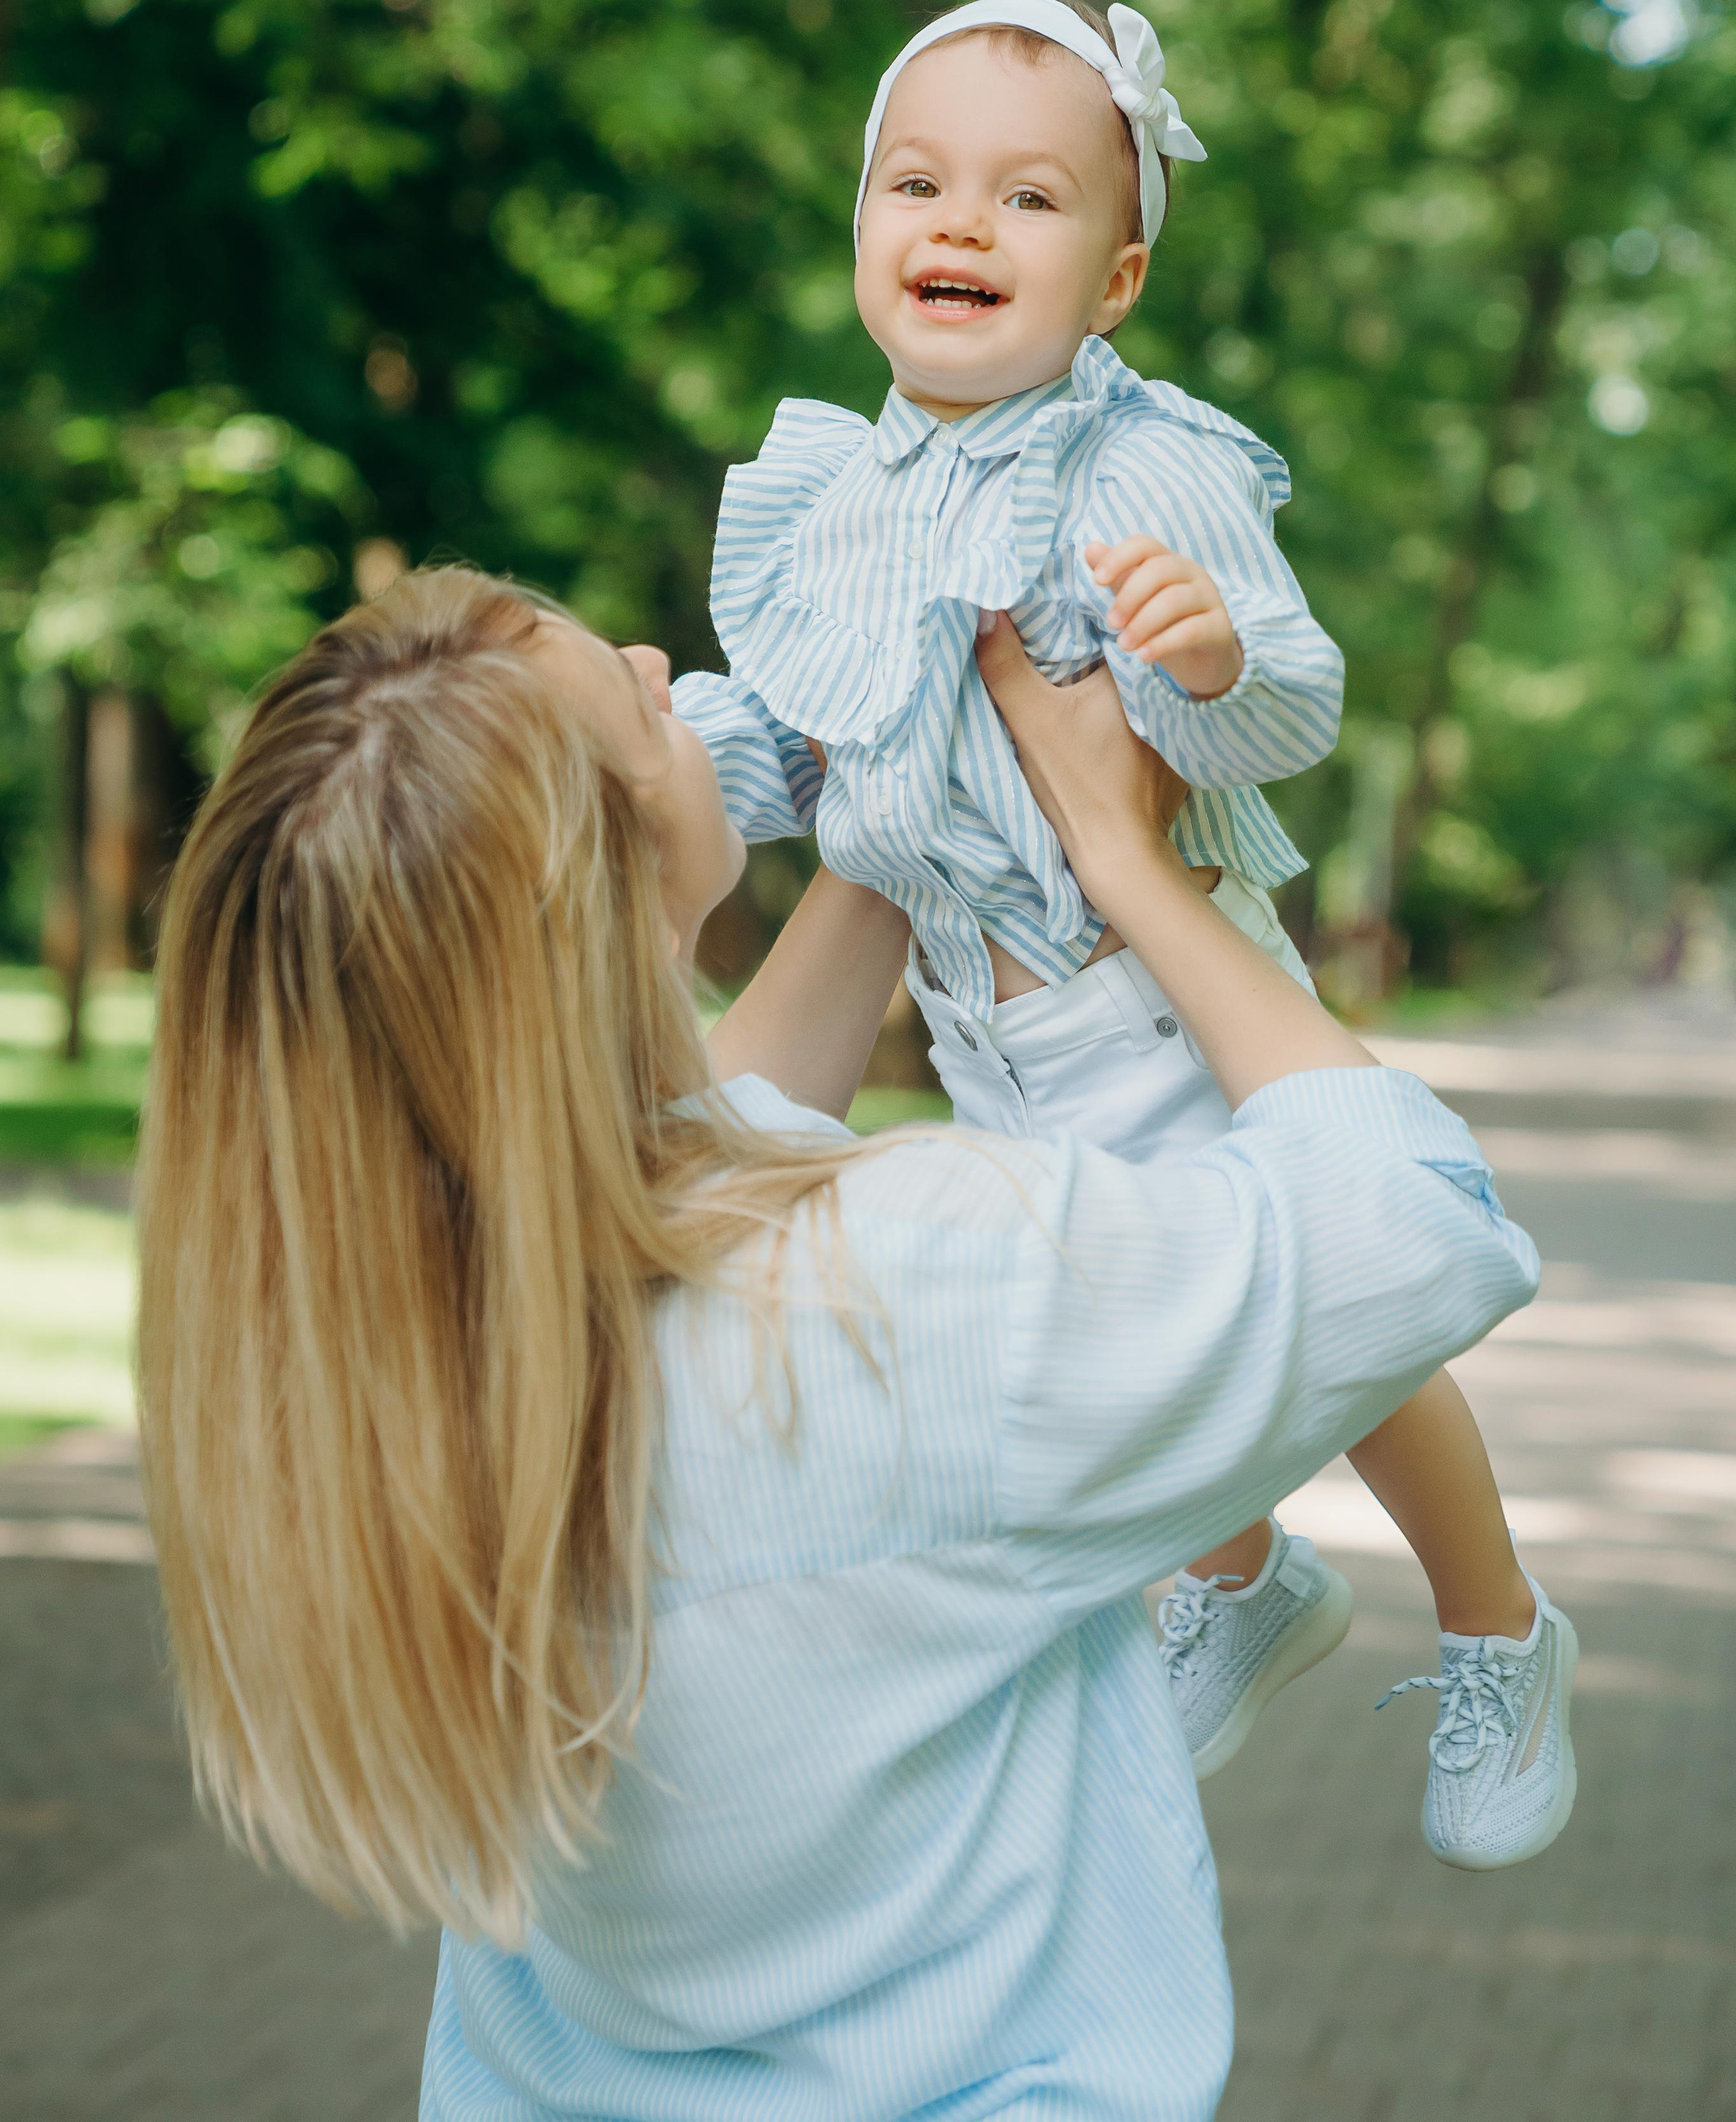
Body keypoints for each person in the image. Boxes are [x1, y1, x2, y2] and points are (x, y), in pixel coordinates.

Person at [138, 565, 1540, 2122]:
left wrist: (902, 810)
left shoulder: (355, 1359)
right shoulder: (908, 1301)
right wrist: (1125, 861)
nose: (666, 659)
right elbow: (1412, 1223)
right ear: (599, 883)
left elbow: (721, 1151)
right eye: (636, 698)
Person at [667, 0, 1576, 1868]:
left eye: (1027, 201)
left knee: (1351, 1325)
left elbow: (1292, 702)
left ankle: (1500, 1623)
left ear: (1119, 276)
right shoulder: (839, 497)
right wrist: (652, 756)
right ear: (861, 233)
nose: (961, 229)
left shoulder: (1139, 467)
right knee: (1144, 1341)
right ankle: (1240, 1584)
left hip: (1162, 1003)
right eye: (917, 185)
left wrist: (1209, 653)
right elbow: (798, 723)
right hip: (992, 1048)